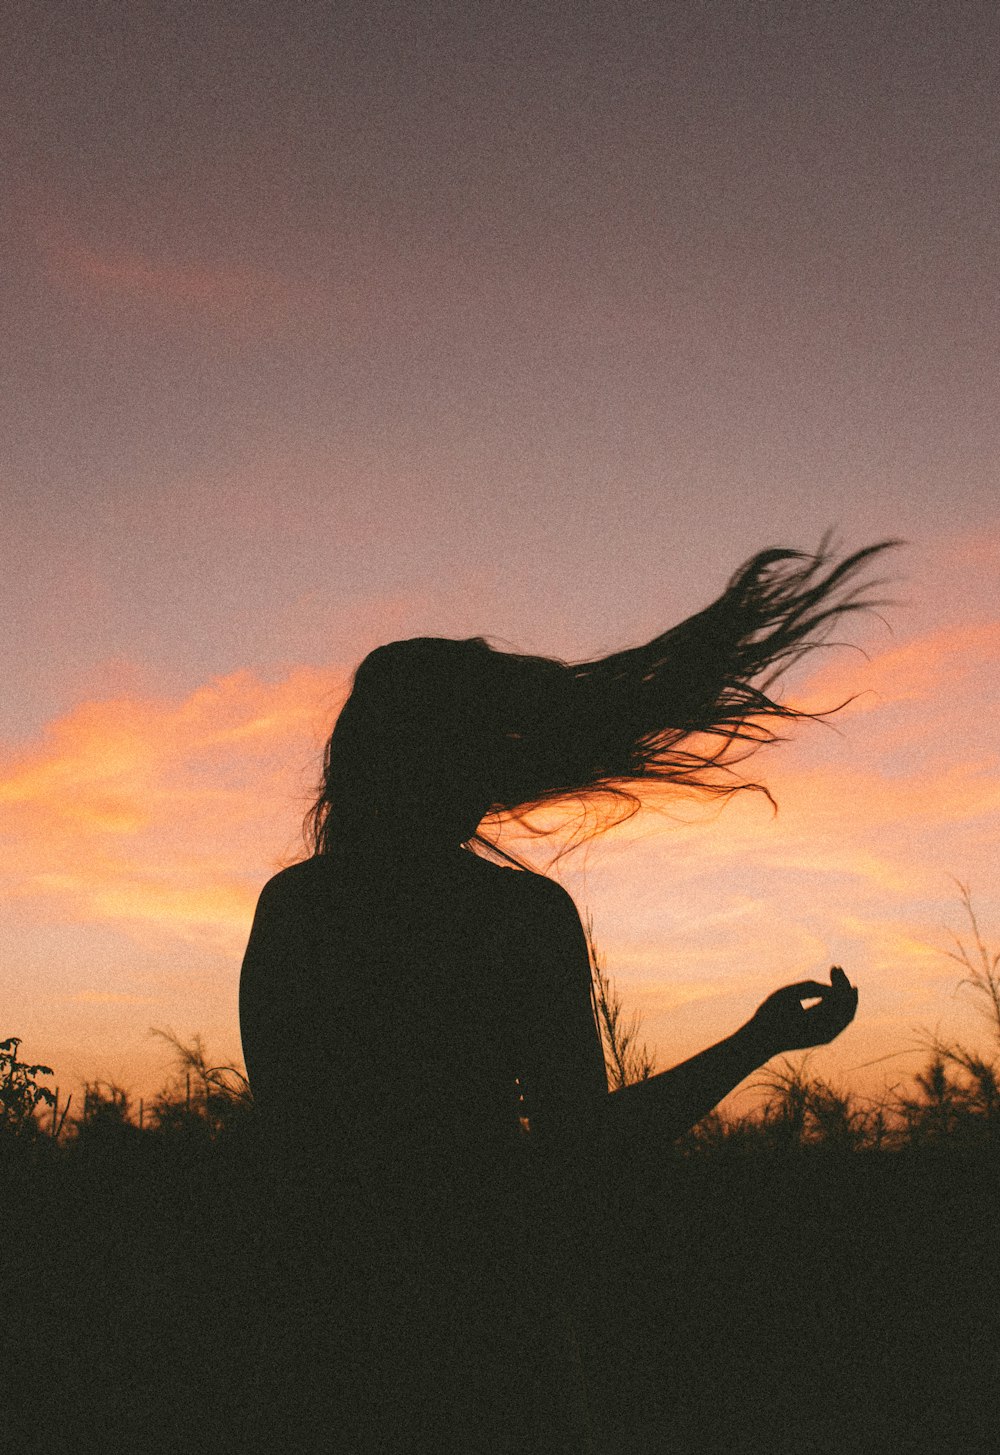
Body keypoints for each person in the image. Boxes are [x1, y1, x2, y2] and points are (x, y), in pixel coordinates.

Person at [238, 540, 893, 1453]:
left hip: (323, 1327)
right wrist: (757, 1041)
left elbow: (298, 1137)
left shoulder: (298, 908)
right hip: (491, 1324)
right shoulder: (516, 916)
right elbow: (584, 1145)